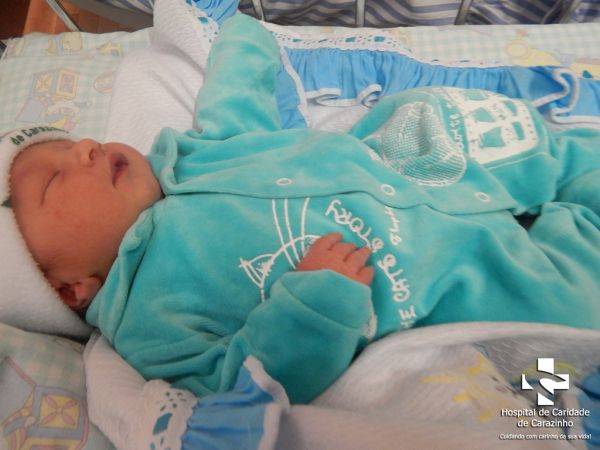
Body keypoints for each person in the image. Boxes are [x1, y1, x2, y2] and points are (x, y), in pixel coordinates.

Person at [2, 13, 600, 404]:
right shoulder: (149, 321)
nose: (85, 147)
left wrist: (239, 42)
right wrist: (313, 306)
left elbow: (237, 110)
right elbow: (238, 382)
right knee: (563, 308)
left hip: (413, 169)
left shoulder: (191, 158)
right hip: (439, 273)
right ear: (68, 288)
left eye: (72, 142)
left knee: (442, 116)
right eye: (54, 179)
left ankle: (574, 163)